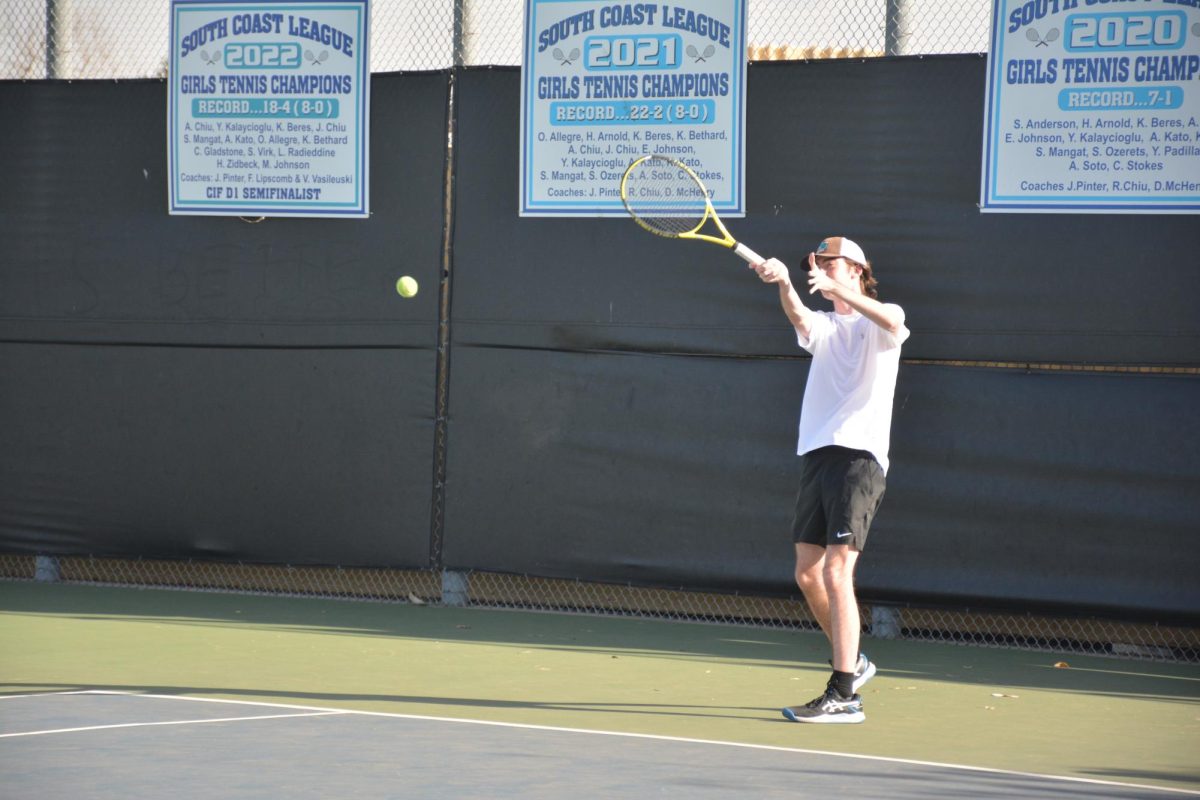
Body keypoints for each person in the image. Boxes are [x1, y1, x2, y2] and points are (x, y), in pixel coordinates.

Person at [752, 236, 909, 724]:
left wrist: (842, 289)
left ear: (858, 269)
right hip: (819, 454)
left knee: (838, 572)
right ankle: (854, 663)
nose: (818, 269)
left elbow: (893, 320)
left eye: (829, 262)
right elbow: (801, 317)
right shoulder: (825, 326)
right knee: (807, 572)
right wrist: (783, 284)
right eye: (814, 264)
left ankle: (845, 696)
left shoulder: (882, 319)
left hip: (859, 457)